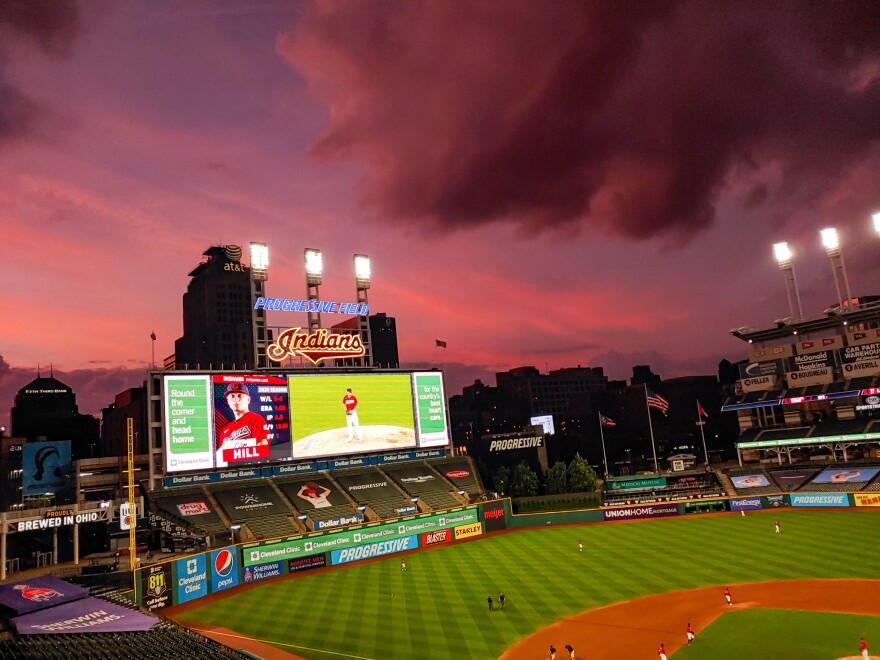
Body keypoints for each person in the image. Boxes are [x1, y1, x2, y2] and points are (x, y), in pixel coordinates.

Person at [216, 383, 271, 468]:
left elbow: (263, 448)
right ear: (227, 400)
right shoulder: (224, 431)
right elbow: (221, 458)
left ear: (248, 399)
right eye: (232, 396)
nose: (236, 399)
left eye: (240, 395)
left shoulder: (256, 419)